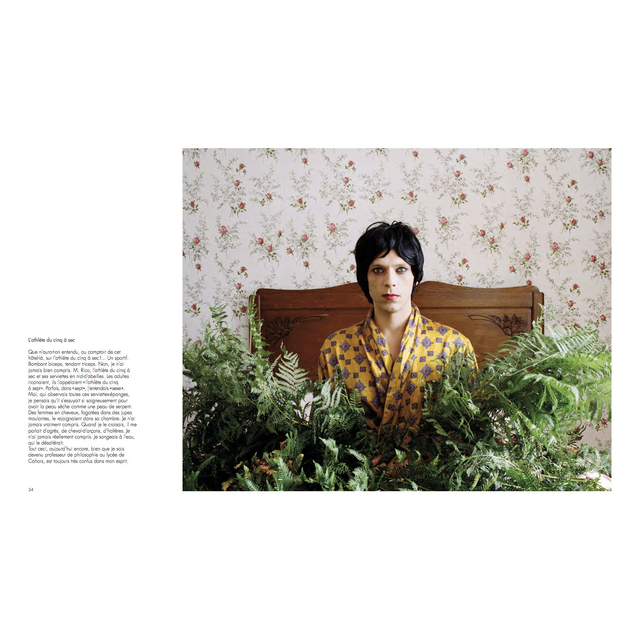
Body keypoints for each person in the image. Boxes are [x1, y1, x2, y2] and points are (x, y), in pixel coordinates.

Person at [318, 221, 476, 437]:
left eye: (401, 269)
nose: (390, 281)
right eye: (378, 270)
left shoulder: (454, 346)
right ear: (365, 278)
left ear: (415, 277)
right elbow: (325, 433)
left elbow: (469, 431)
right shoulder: (335, 348)